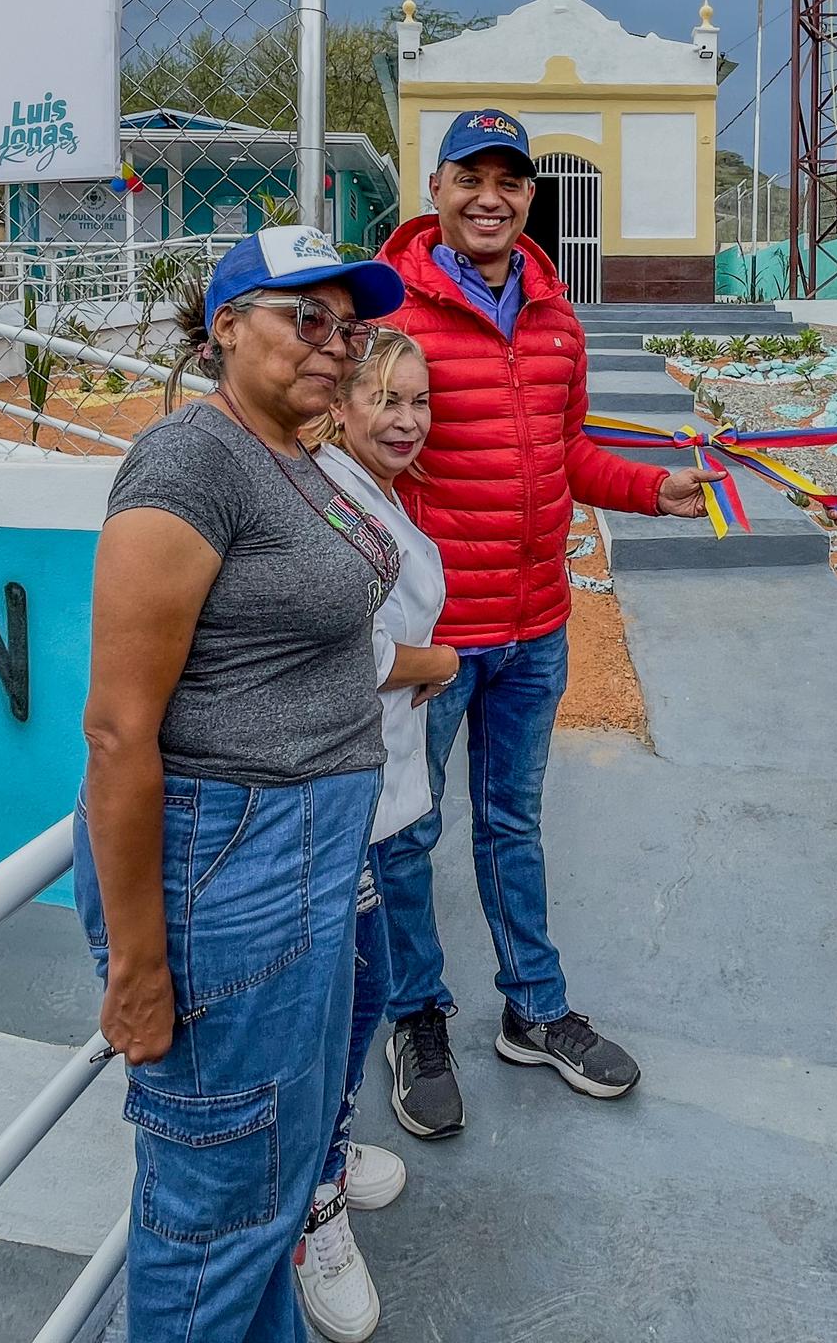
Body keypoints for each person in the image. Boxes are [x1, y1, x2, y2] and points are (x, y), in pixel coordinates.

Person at [76, 224, 408, 1343]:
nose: (333, 345)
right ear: (227, 327)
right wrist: (136, 965)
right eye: (303, 318)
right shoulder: (191, 461)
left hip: (304, 859)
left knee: (269, 1182)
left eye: (348, 329)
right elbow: (120, 734)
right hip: (230, 867)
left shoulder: (292, 451)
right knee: (215, 1211)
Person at [371, 108, 718, 1136]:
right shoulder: (392, 315)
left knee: (512, 822)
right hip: (434, 640)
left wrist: (646, 491)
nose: (489, 196)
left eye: (508, 180)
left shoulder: (556, 320)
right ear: (432, 188)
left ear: (530, 195)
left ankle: (532, 1006)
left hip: (533, 626)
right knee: (407, 828)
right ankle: (416, 1014)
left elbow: (564, 454)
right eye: (468, 176)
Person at [294, 331, 455, 1343]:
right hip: (336, 788)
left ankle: (332, 1148)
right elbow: (347, 647)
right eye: (386, 399)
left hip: (375, 786)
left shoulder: (370, 490)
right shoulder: (327, 498)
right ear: (341, 404)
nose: (405, 419)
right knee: (339, 1006)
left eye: (420, 402)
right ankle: (313, 1208)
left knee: (365, 984)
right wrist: (433, 664)